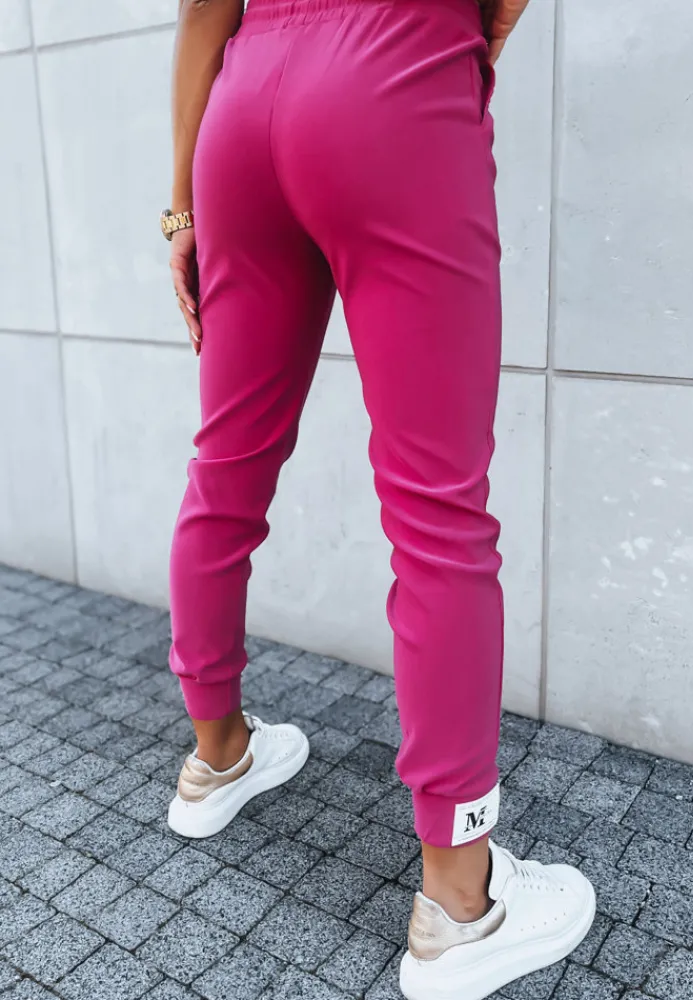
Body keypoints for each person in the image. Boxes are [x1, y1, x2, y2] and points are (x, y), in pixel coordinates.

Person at [163, 0, 596, 996]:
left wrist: (180, 207)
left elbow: (201, 6)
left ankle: (216, 757)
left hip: (242, 102)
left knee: (224, 465)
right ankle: (459, 905)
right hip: (395, 71)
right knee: (438, 510)